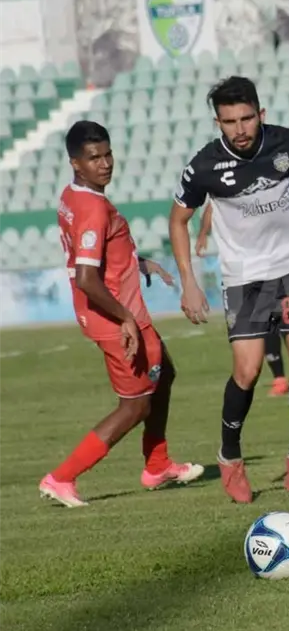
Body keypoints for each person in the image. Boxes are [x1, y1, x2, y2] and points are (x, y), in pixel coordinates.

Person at [168, 76, 289, 504]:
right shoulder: (205, 166)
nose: (240, 128)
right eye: (230, 121)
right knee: (247, 371)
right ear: (218, 122)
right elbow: (178, 220)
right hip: (244, 278)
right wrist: (189, 283)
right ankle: (230, 456)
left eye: (247, 118)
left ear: (260, 114)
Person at [39, 121, 203, 508]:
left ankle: (158, 464)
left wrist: (138, 262)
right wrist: (126, 318)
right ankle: (61, 478)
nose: (105, 163)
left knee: (165, 373)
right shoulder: (94, 207)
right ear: (75, 163)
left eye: (107, 154)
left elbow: (97, 256)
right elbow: (86, 277)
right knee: (135, 406)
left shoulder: (73, 195)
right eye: (94, 158)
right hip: (112, 316)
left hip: (115, 310)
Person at [194, 186, 289, 398]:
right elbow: (213, 205)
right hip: (252, 270)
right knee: (265, 323)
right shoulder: (229, 179)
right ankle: (280, 378)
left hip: (285, 263)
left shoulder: (275, 171)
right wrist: (203, 233)